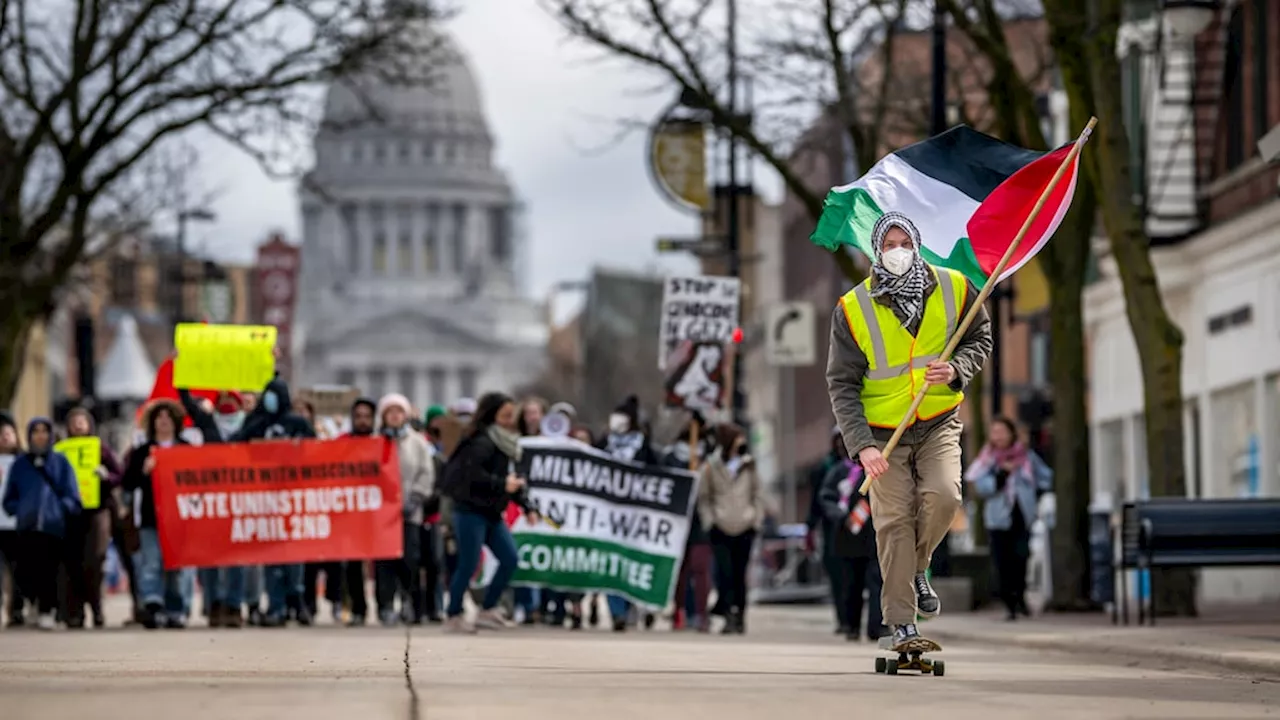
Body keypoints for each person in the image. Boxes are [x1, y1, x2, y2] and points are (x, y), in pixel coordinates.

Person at [826, 212, 993, 652]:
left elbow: (981, 337)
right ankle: (902, 626)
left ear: (917, 244)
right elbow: (841, 384)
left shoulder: (956, 287)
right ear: (876, 250)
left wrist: (958, 369)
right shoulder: (851, 308)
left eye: (904, 242)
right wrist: (861, 446)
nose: (896, 251)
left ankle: (918, 567)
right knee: (894, 522)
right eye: (888, 244)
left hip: (939, 419)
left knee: (946, 496)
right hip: (883, 434)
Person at [439, 392, 533, 633]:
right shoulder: (480, 441)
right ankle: (454, 613)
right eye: (505, 415)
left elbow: (511, 480)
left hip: (492, 511)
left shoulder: (506, 443)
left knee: (510, 558)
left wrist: (525, 505)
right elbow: (472, 476)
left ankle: (488, 608)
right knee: (469, 564)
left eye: (512, 416)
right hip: (470, 511)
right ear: (492, 415)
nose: (509, 420)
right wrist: (501, 484)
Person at [232, 376, 316, 627]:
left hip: (294, 499)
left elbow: (319, 455)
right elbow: (234, 448)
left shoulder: (297, 424)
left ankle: (297, 598)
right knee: (272, 558)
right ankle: (276, 606)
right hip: (264, 501)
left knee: (294, 557)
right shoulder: (255, 423)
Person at [965, 416, 1052, 621]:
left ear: (1011, 433)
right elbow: (981, 486)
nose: (999, 436)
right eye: (994, 432)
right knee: (1002, 562)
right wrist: (1001, 474)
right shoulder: (988, 459)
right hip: (998, 518)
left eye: (1002, 431)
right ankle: (1010, 603)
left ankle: (1020, 598)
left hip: (1022, 515)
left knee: (1022, 558)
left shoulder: (1026, 457)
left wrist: (1033, 491)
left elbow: (1045, 477)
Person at [1, 418, 82, 631]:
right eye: (35, 431)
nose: (40, 435)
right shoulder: (20, 465)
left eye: (44, 431)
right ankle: (34, 604)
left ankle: (48, 610)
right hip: (27, 528)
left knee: (50, 571)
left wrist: (60, 508)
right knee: (26, 572)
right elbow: (9, 497)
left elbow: (73, 496)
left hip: (53, 527)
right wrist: (19, 509)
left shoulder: (61, 462)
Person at [179, 389, 248, 628]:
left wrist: (273, 370)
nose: (227, 404)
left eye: (232, 400)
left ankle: (233, 605)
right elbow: (188, 404)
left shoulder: (249, 426)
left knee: (237, 557)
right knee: (210, 557)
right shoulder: (208, 424)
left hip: (239, 501)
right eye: (224, 400)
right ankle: (214, 603)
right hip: (211, 502)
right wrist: (182, 375)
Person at [123, 401, 191, 629]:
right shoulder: (142, 451)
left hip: (179, 519)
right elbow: (128, 482)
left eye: (167, 417)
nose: (163, 421)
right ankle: (153, 606)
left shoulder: (186, 448)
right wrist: (144, 471)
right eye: (159, 417)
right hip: (151, 516)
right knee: (151, 562)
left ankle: (176, 609)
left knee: (176, 567)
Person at [374, 393, 435, 626]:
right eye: (390, 412)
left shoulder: (418, 442)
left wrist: (416, 497)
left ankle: (410, 602)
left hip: (410, 513)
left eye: (399, 411)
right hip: (382, 515)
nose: (395, 416)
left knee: (410, 560)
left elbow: (426, 472)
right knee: (384, 563)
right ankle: (386, 605)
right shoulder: (375, 441)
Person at [698, 423, 764, 634]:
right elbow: (704, 498)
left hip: (745, 526)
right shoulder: (710, 466)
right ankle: (726, 614)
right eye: (737, 439)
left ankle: (739, 616)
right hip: (720, 527)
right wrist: (710, 521)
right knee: (724, 574)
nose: (741, 444)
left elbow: (758, 494)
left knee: (739, 574)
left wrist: (755, 519)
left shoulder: (749, 465)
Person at [61, 407, 123, 629]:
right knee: (72, 563)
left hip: (97, 510)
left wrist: (105, 476)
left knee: (95, 560)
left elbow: (119, 475)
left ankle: (96, 608)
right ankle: (74, 612)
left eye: (82, 421)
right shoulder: (60, 451)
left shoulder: (100, 449)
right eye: (74, 421)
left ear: (89, 425)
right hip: (70, 513)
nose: (78, 425)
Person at [817, 447, 885, 642]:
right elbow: (826, 497)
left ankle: (877, 626)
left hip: (872, 535)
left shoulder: (875, 468)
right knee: (851, 585)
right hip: (846, 538)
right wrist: (841, 516)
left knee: (876, 581)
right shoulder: (839, 472)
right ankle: (851, 625)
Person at [664, 413, 713, 632]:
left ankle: (702, 614)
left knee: (700, 568)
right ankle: (679, 611)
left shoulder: (710, 457)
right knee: (680, 571)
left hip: (701, 520)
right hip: (678, 518)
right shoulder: (671, 457)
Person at [807, 426, 848, 634]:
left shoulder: (864, 464)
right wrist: (810, 528)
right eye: (838, 440)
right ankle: (843, 619)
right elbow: (816, 501)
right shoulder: (825, 468)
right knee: (837, 577)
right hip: (832, 529)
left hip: (862, 529)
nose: (841, 444)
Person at [512, 396, 547, 625]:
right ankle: (526, 605)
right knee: (523, 554)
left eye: (536, 412)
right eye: (528, 413)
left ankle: (541, 606)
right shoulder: (516, 442)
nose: (532, 417)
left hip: (547, 506)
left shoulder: (553, 442)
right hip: (520, 506)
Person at [0, 412, 24, 627]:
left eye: (8, 433)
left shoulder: (23, 462)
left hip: (16, 524)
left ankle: (16, 611)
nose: (5, 438)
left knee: (18, 572)